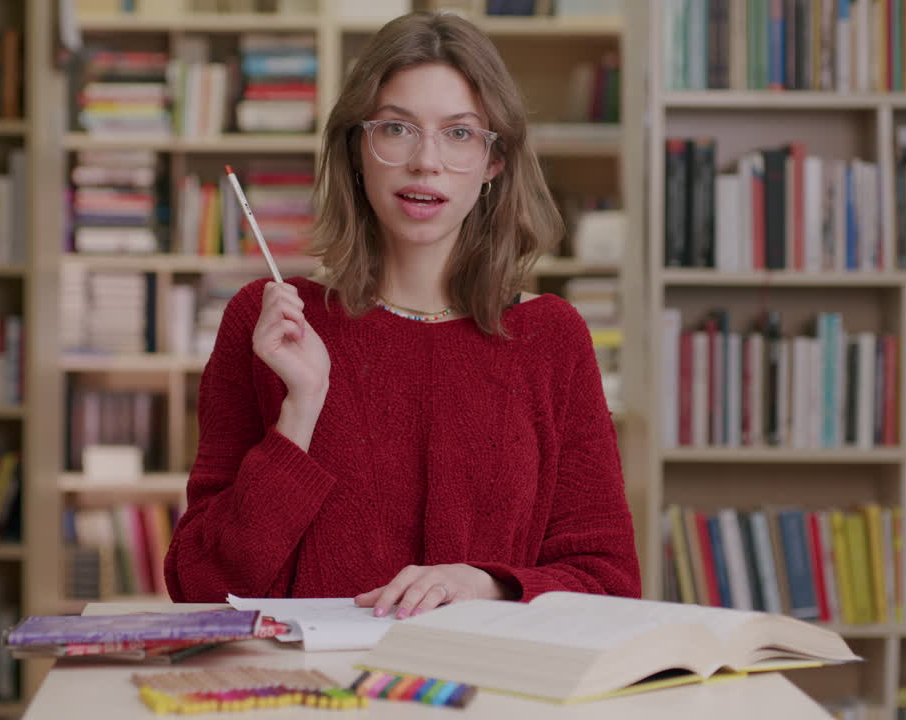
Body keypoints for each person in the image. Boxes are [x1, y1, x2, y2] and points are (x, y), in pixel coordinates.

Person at [164, 11, 639, 618]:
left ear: (495, 162)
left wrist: (483, 583)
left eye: (460, 134)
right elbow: (199, 587)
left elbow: (609, 583)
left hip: (487, 693)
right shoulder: (270, 325)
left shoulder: (550, 337)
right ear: (358, 149)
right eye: (397, 128)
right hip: (312, 697)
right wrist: (301, 408)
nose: (426, 162)